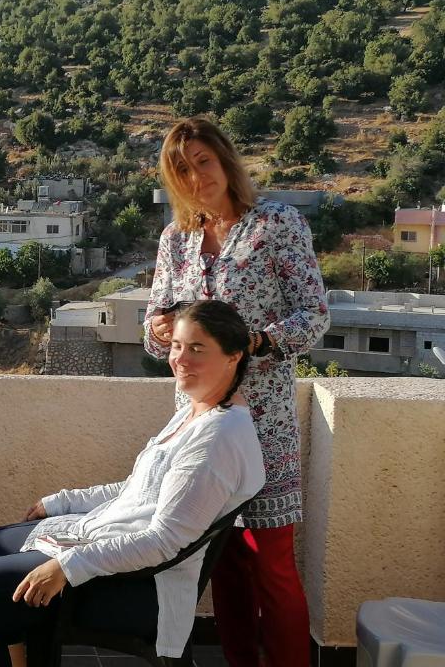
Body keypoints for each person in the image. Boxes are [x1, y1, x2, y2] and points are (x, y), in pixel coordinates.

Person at [0, 300, 266, 667]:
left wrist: (66, 565)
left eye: (197, 349)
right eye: (177, 346)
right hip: (103, 538)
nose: (180, 359)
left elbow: (165, 542)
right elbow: (141, 489)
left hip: (136, 586)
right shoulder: (197, 409)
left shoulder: (217, 439)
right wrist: (62, 502)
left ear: (233, 356)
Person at [144, 117, 330, 667]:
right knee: (218, 557)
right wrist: (157, 331)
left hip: (264, 416)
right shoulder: (175, 240)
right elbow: (157, 326)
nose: (196, 175)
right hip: (198, 424)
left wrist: (259, 341)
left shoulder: (277, 223)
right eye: (182, 168)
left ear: (225, 160)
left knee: (272, 560)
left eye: (203, 160)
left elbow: (314, 315)